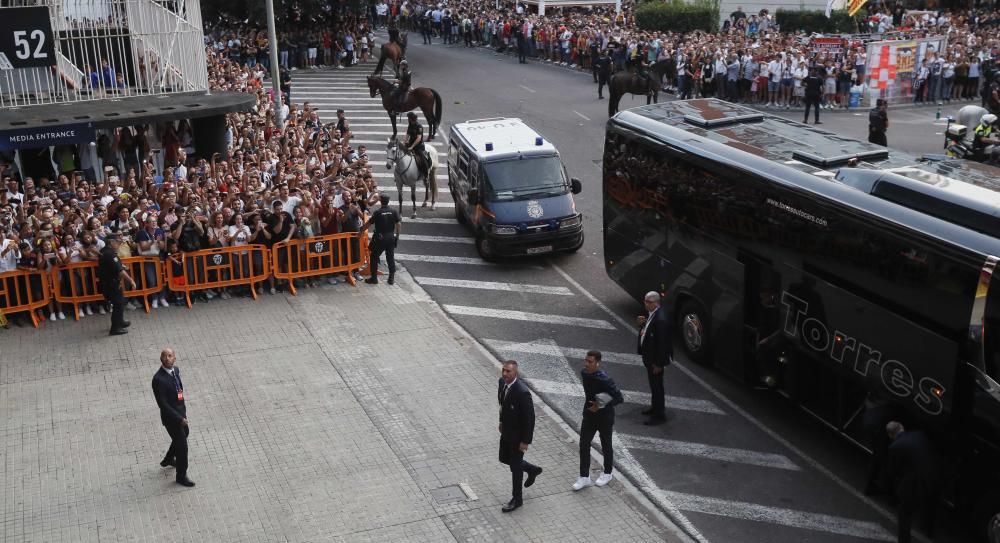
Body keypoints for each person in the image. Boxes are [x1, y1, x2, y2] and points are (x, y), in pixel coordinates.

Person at [573, 350, 624, 491]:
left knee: (606, 445)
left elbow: (619, 398)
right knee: (584, 444)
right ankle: (584, 477)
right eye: (586, 360)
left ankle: (607, 473)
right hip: (589, 415)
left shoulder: (605, 379)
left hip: (604, 417)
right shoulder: (584, 373)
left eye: (590, 362)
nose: (586, 364)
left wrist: (599, 404)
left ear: (597, 363)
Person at [498, 360, 541, 513]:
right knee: (504, 458)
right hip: (506, 432)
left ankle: (517, 499)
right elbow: (502, 405)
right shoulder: (501, 383)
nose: (504, 373)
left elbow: (530, 418)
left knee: (515, 468)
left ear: (515, 373)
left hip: (518, 437)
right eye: (503, 370)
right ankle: (531, 469)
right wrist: (501, 421)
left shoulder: (522, 392)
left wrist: (525, 441)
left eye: (508, 371)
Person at [886, 421, 940, 543]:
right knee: (930, 506)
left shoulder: (895, 447)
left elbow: (893, 470)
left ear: (890, 435)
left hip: (914, 485)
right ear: (902, 427)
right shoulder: (919, 434)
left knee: (905, 515)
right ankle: (929, 530)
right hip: (933, 476)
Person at [152, 348, 195, 487]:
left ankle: (169, 458)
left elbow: (179, 391)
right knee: (182, 447)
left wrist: (183, 412)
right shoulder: (158, 379)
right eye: (164, 356)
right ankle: (181, 476)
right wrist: (179, 419)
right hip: (171, 419)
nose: (167, 358)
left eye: (170, 356)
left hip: (180, 413)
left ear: (174, 358)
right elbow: (163, 405)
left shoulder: (175, 370)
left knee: (186, 433)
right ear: (161, 359)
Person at [637, 290, 671, 425]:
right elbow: (651, 333)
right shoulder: (653, 314)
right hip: (650, 358)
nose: (645, 304)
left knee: (657, 387)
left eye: (648, 302)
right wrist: (643, 325)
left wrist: (658, 364)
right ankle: (655, 407)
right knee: (654, 385)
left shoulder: (661, 320)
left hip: (655, 361)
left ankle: (659, 415)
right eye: (645, 301)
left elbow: (663, 344)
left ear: (656, 303)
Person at [98, 233, 136, 336]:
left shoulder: (106, 251)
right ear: (111, 242)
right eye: (118, 242)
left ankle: (120, 321)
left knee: (120, 302)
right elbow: (120, 271)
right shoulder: (110, 254)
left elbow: (116, 265)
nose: (119, 244)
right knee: (118, 304)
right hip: (111, 284)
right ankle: (115, 328)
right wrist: (131, 280)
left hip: (111, 282)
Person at [363, 195, 401, 285]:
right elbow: (399, 224)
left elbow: (368, 224)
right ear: (388, 201)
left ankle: (374, 278)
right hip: (391, 237)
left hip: (380, 238)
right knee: (390, 257)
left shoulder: (378, 212)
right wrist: (397, 237)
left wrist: (361, 230)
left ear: (380, 200)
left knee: (374, 257)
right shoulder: (394, 211)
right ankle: (391, 278)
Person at [403, 111, 429, 179]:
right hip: (410, 144)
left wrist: (412, 147)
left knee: (423, 160)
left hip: (418, 146)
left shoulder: (419, 127)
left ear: (412, 119)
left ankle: (426, 176)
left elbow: (419, 138)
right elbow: (407, 135)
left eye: (408, 118)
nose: (408, 119)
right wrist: (404, 143)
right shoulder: (410, 125)